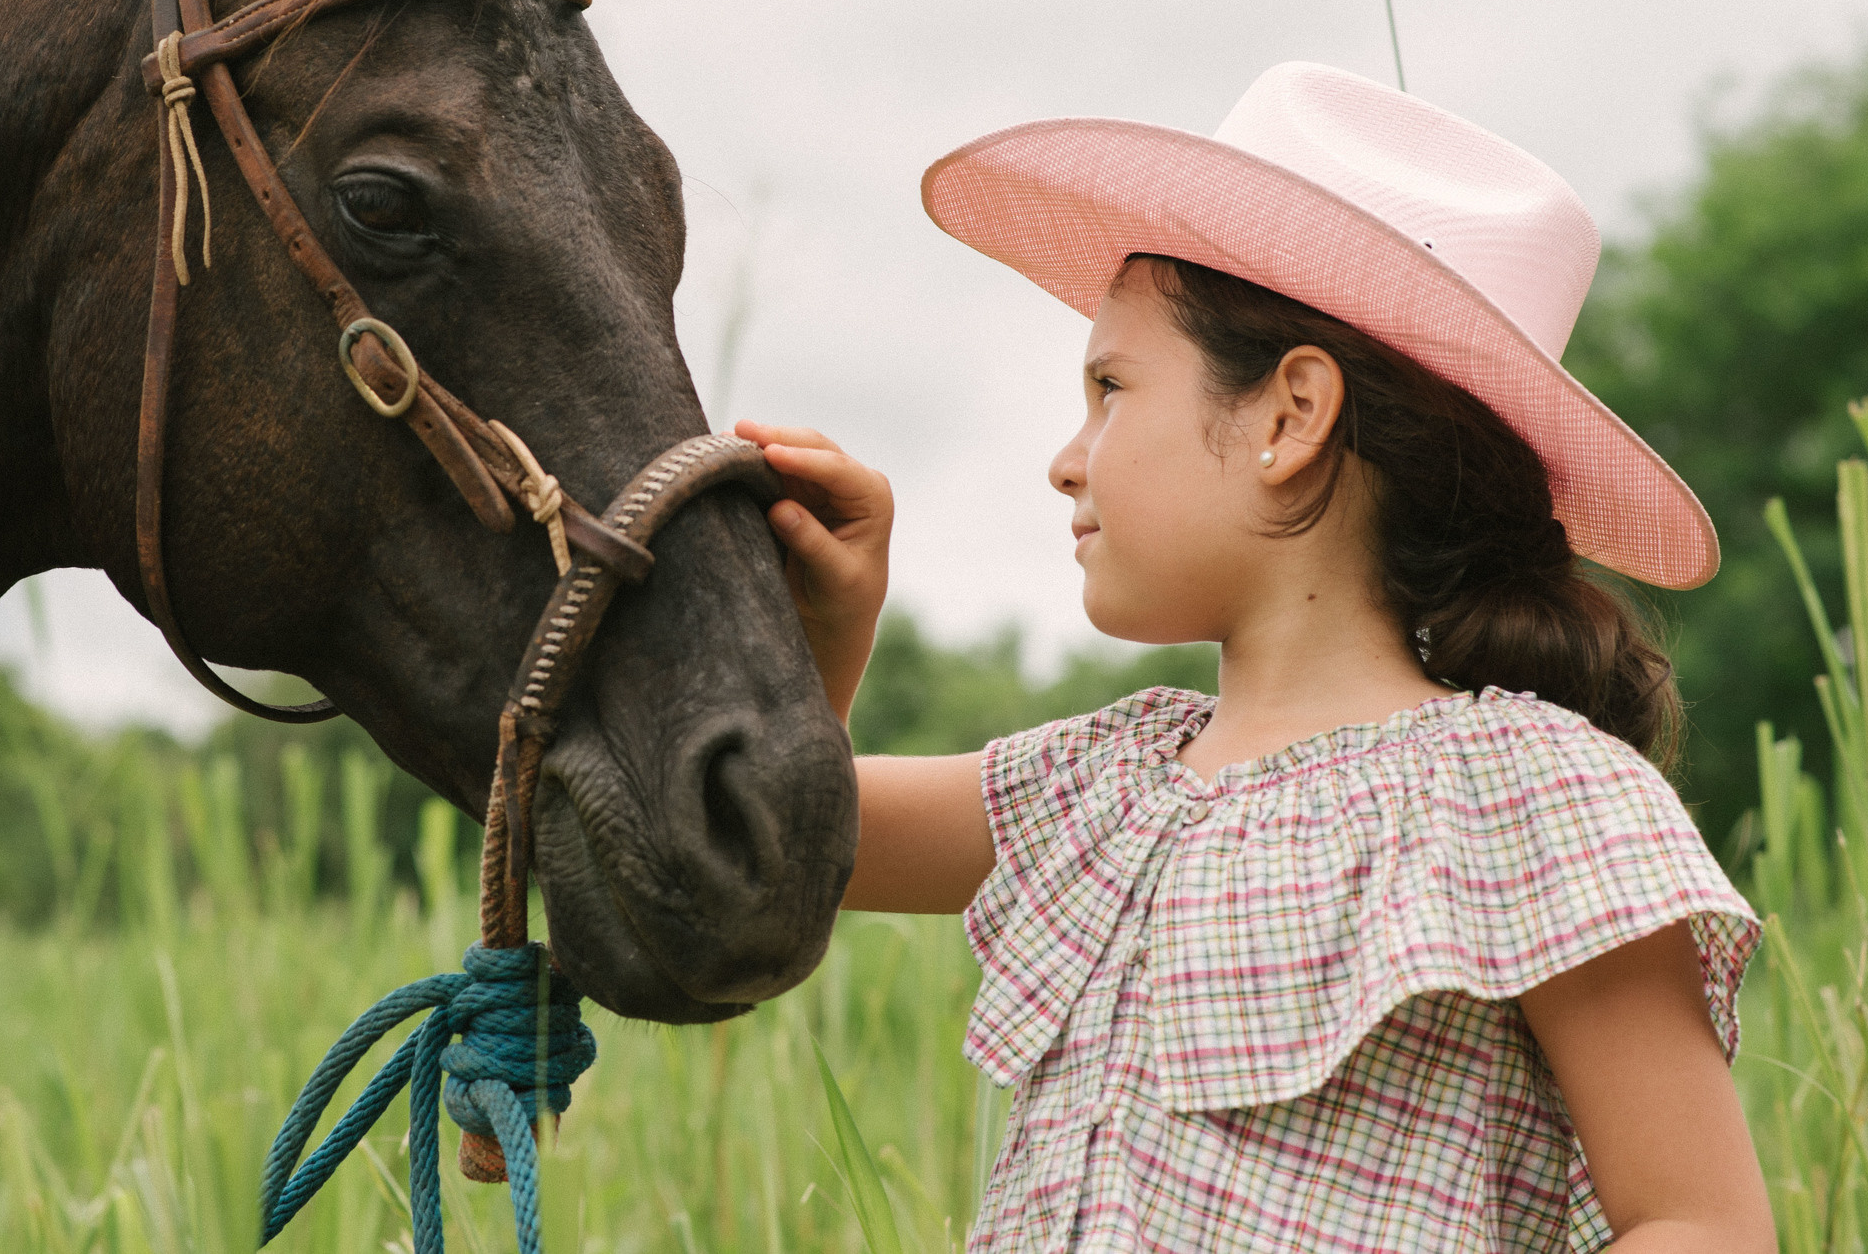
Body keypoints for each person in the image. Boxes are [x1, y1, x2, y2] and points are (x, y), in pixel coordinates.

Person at [735, 62, 1775, 1252]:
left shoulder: (1533, 787)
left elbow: (1696, 1220)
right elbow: (767, 837)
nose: (1067, 460)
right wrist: (826, 628)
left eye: (1109, 388)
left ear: (1290, 415)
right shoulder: (1097, 785)